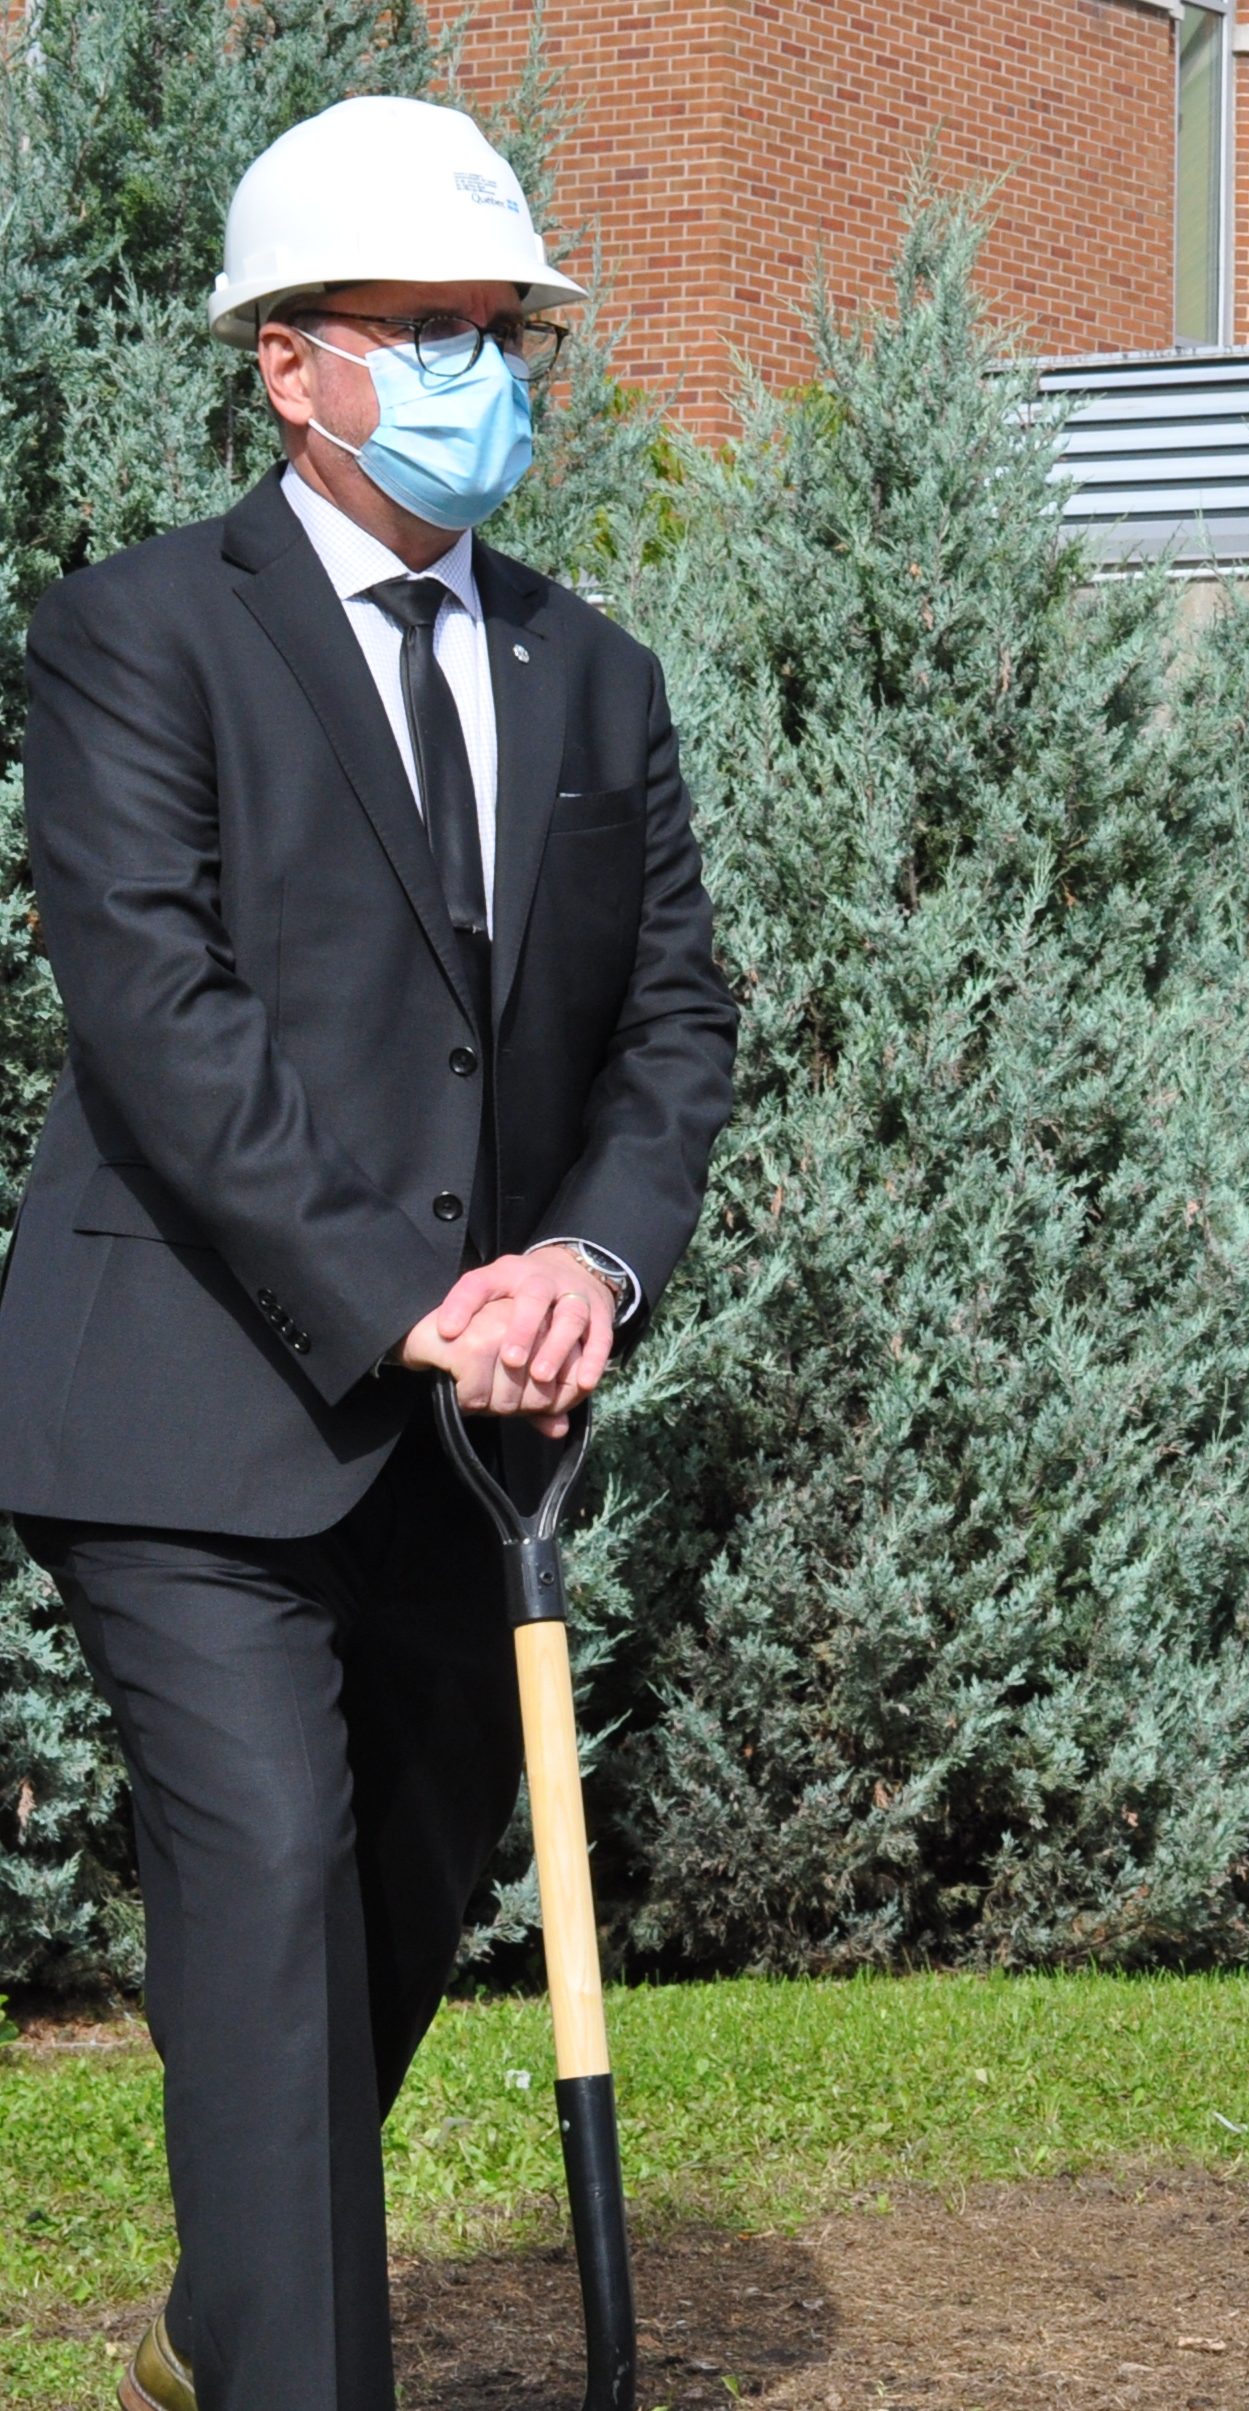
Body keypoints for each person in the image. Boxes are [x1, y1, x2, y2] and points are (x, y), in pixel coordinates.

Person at [0, 96, 737, 2411]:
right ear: (283, 364)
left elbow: (675, 1020)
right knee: (270, 1897)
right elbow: (158, 1010)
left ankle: (235, 2329)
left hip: (475, 1436)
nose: (474, 376)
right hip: (192, 1414)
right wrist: (400, 1284)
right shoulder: (136, 639)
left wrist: (585, 1272)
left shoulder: (589, 676)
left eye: (500, 332)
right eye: (418, 332)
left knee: (393, 1913)